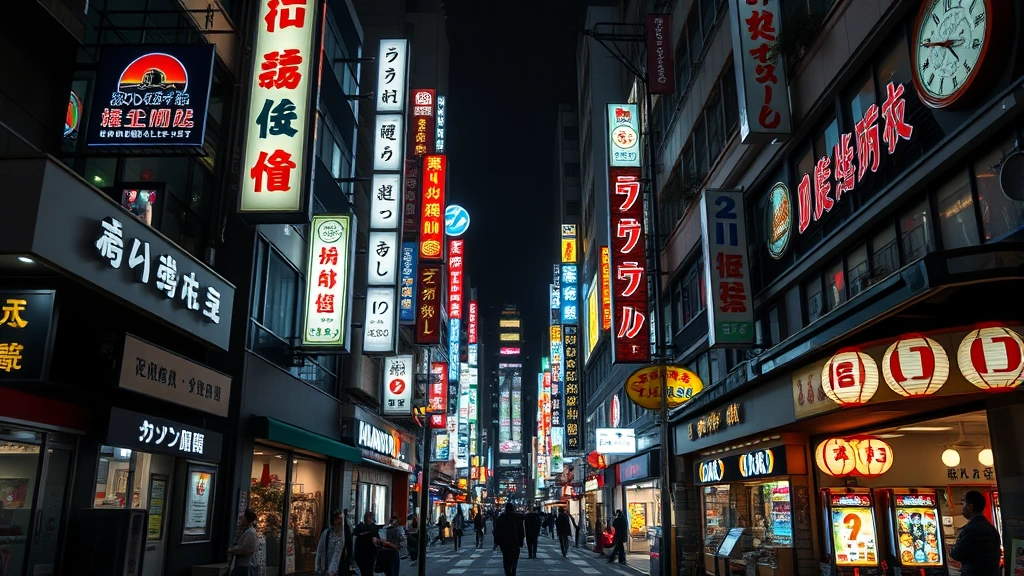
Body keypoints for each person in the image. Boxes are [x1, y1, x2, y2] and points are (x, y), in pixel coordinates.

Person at [949, 490, 1002, 576]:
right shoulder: (991, 528)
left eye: (963, 503)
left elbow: (956, 554)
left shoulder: (971, 529)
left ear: (971, 506)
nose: (962, 507)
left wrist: (949, 550)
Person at [494, 503, 525, 576]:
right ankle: (513, 572)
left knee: (506, 558)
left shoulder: (501, 518)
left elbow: (496, 531)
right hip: (515, 542)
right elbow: (521, 531)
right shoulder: (517, 517)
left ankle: (508, 572)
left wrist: (497, 542)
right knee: (514, 559)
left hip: (504, 543)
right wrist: (521, 542)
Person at [228, 509, 260, 576]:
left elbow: (249, 550)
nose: (240, 520)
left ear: (246, 519)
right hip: (242, 565)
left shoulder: (250, 533)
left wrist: (233, 550)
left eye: (242, 518)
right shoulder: (246, 531)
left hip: (246, 566)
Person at [315, 510, 346, 576]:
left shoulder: (344, 535)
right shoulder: (327, 533)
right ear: (335, 521)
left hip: (338, 570)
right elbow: (320, 550)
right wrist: (318, 568)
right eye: (339, 519)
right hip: (326, 569)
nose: (341, 523)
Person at [352, 512, 381, 576]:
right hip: (362, 554)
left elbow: (378, 540)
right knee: (365, 571)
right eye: (371, 518)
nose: (372, 520)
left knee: (368, 571)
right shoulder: (360, 527)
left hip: (370, 554)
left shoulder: (373, 528)